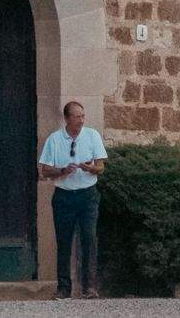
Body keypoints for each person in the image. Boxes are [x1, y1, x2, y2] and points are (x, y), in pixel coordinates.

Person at [38, 100, 106, 299]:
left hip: (87, 195)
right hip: (64, 196)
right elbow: (44, 170)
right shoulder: (55, 139)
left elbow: (101, 167)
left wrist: (90, 168)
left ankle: (89, 287)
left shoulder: (92, 136)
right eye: (77, 117)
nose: (81, 120)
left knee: (89, 238)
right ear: (67, 118)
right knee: (64, 242)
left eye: (83, 116)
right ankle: (64, 287)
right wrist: (62, 170)